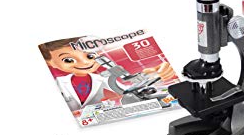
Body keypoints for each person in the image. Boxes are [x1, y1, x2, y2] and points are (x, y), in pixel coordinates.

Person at [39, 38, 176, 112]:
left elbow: (127, 88)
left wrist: (149, 75)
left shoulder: (102, 78)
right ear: (51, 63)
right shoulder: (57, 83)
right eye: (68, 60)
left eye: (90, 56)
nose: (85, 62)